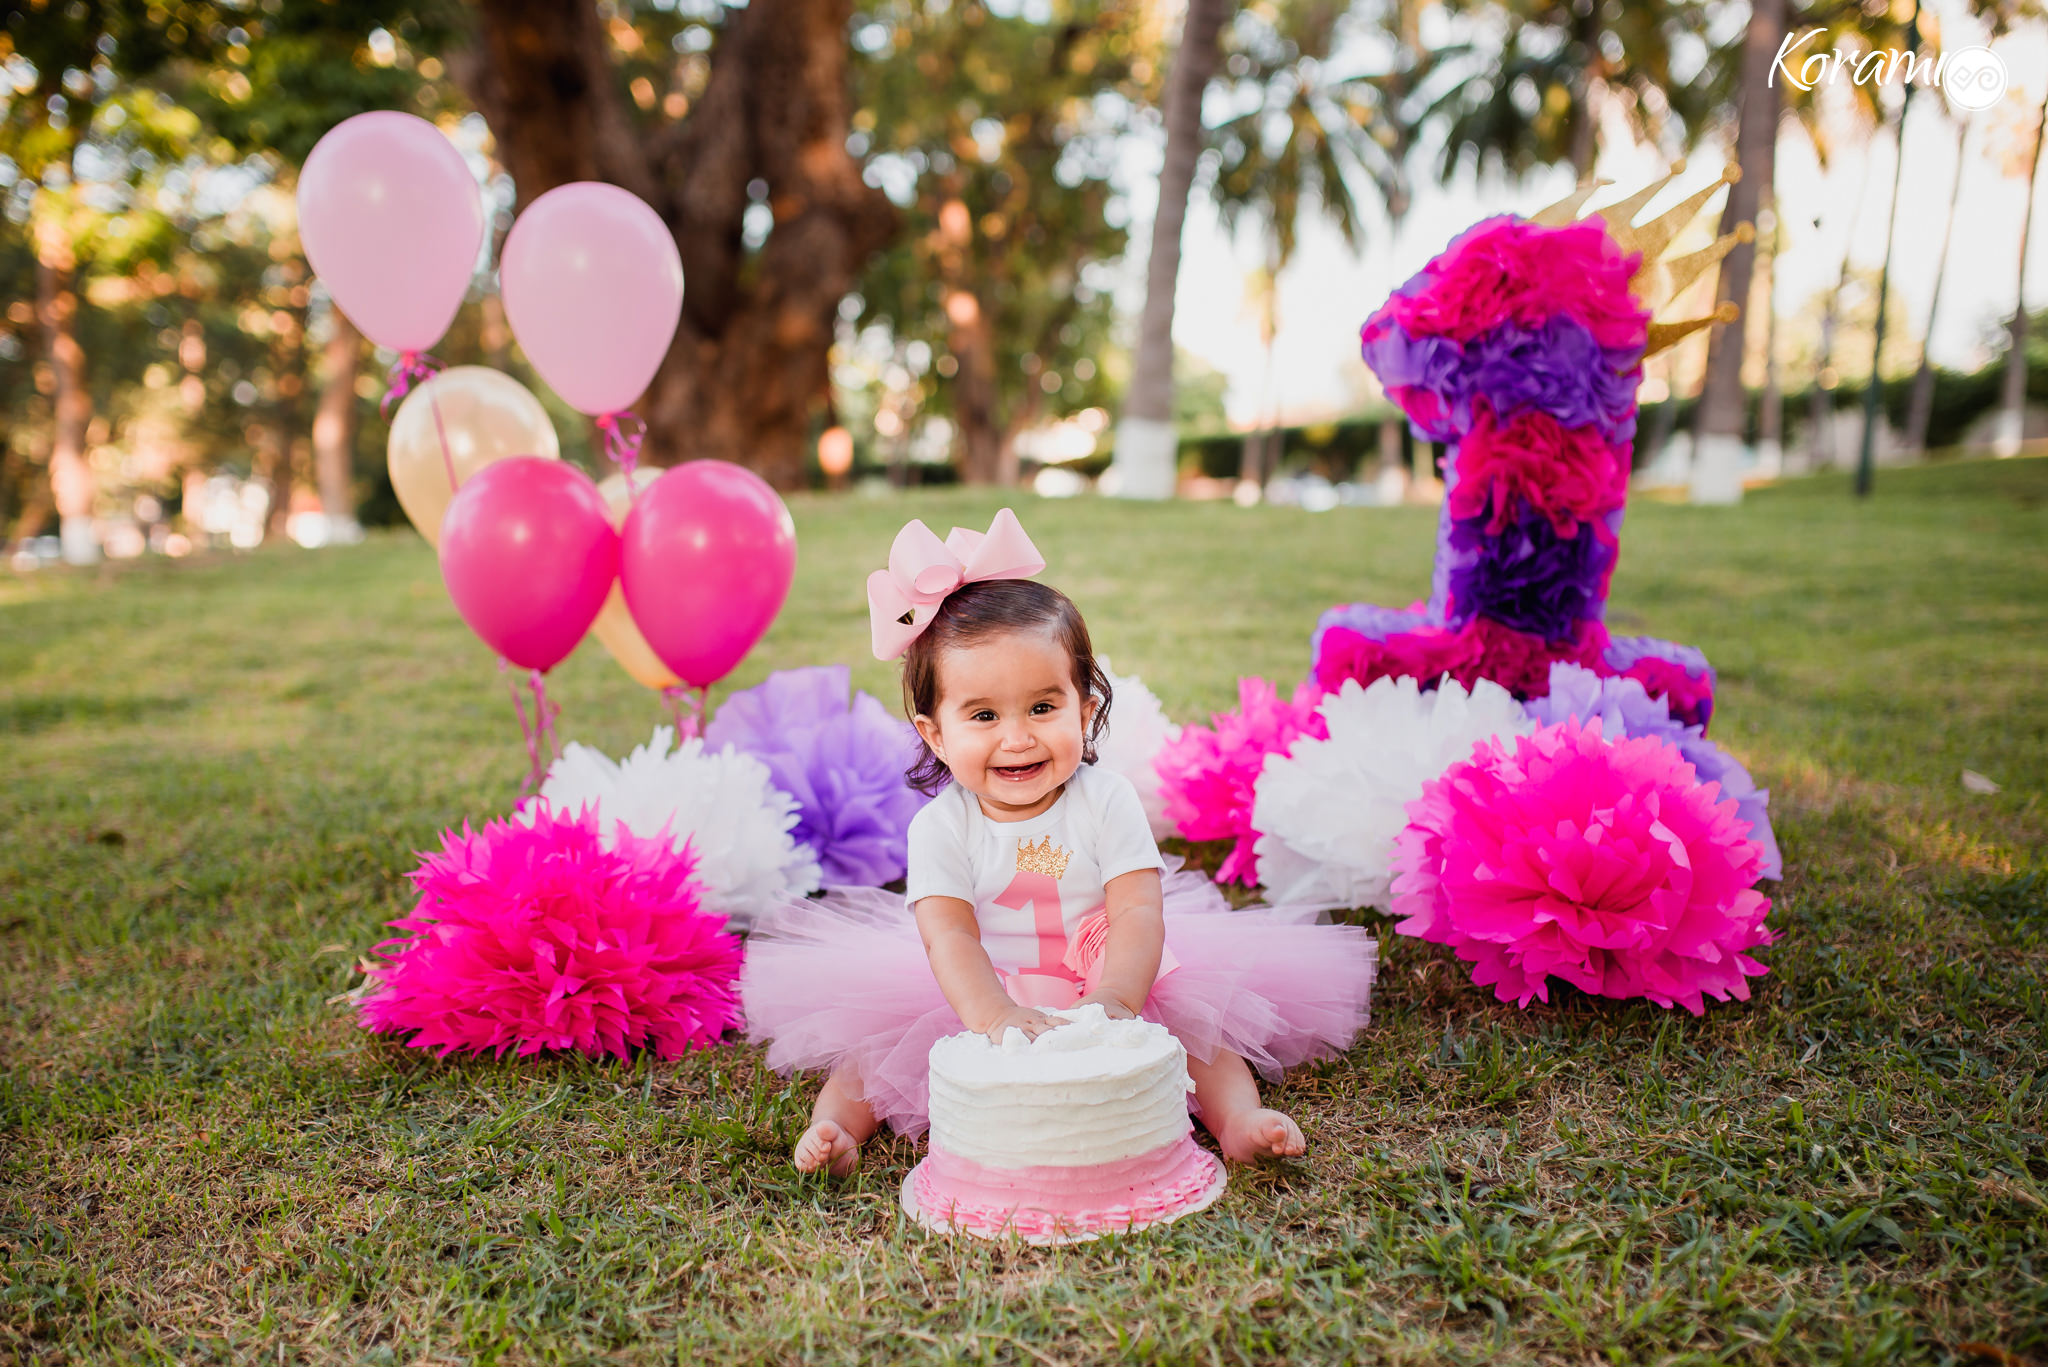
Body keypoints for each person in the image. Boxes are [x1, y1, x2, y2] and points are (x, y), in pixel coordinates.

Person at [741, 509, 1376, 1176]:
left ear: (1083, 707)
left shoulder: (1106, 800)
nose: (1017, 737)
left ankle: (1237, 1119)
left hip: (1107, 966)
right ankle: (835, 1130)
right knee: (873, 1054)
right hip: (979, 983)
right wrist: (994, 1015)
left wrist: (1117, 1001)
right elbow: (950, 937)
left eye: (1043, 707)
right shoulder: (940, 827)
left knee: (1201, 1031)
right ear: (934, 734)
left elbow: (1136, 910)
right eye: (984, 715)